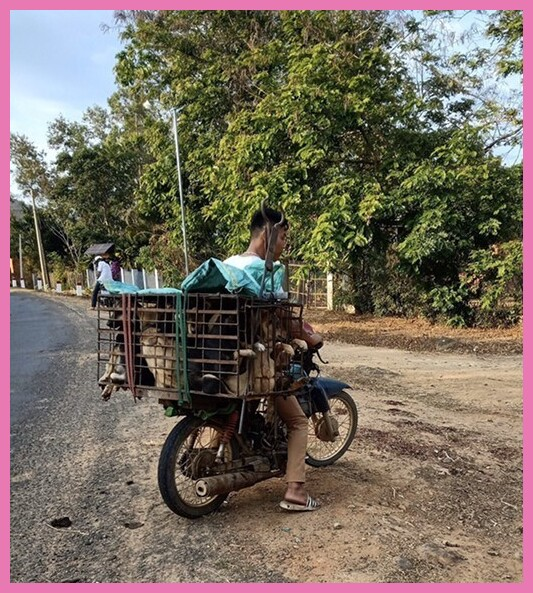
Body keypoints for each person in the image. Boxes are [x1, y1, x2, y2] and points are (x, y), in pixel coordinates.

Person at [224, 207, 321, 512]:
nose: (283, 247)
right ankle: (295, 491)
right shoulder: (264, 275)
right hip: (256, 365)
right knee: (297, 421)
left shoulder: (227, 265)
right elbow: (289, 320)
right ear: (268, 234)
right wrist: (310, 338)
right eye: (283, 239)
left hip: (221, 361)